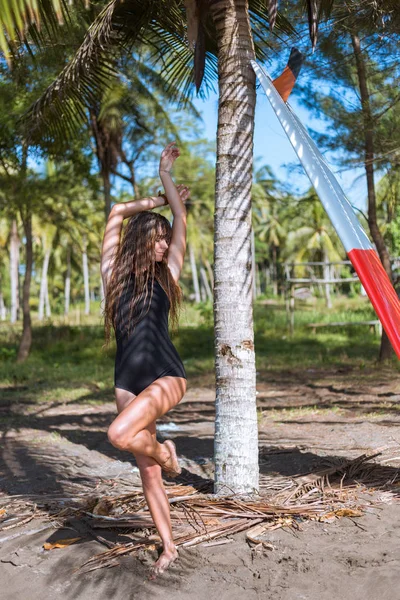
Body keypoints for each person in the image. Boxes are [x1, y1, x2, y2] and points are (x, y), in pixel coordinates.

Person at [100, 142, 189, 578]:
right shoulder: (113, 278)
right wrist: (151, 203)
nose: (164, 243)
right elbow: (117, 211)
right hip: (126, 381)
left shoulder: (166, 274)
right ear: (141, 240)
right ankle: (169, 546)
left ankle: (170, 457)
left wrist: (166, 178)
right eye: (157, 237)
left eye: (165, 238)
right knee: (148, 473)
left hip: (166, 375)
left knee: (119, 435)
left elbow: (182, 219)